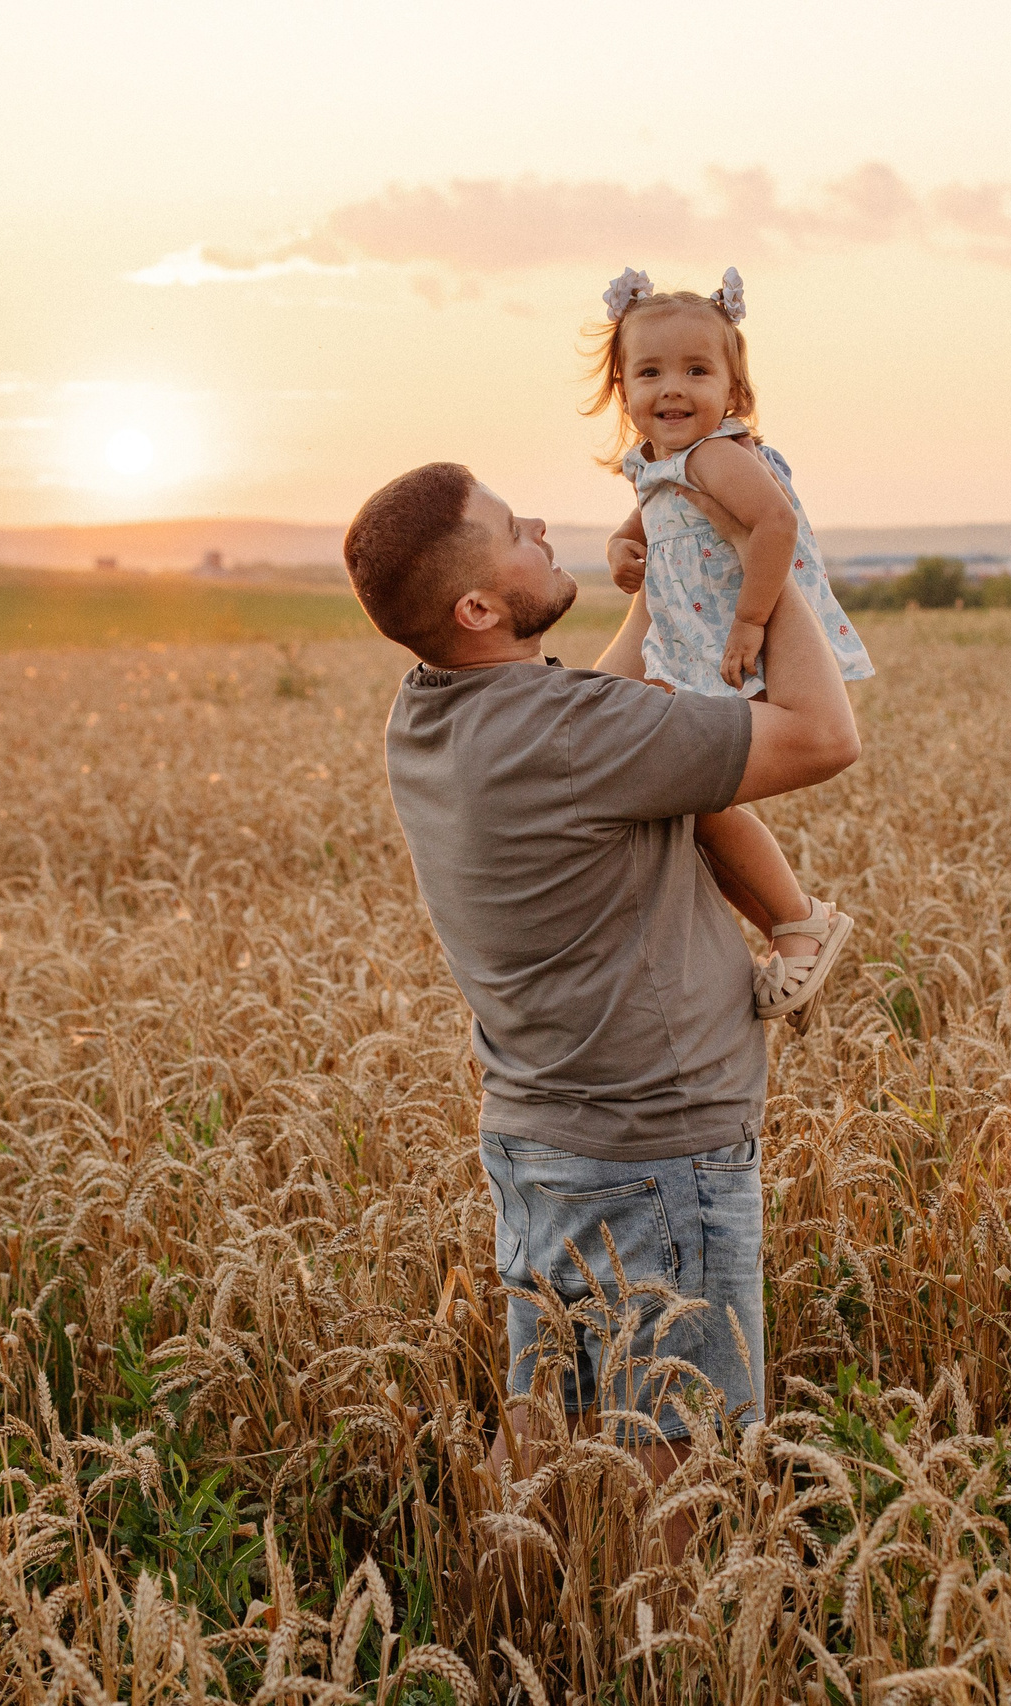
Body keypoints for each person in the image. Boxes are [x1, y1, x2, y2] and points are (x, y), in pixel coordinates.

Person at [342, 462, 859, 1486]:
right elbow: (822, 734)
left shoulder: (431, 713)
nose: (536, 522)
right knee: (680, 1452)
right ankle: (659, 1649)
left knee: (549, 1422)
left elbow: (589, 712)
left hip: (541, 1142)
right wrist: (761, 554)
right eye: (508, 527)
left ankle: (502, 1620)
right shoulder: (571, 736)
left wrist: (647, 593)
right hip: (654, 1149)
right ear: (479, 604)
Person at [584, 265, 874, 1033]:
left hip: (730, 645)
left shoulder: (715, 455)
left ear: (733, 393)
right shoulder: (656, 464)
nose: (671, 388)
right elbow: (643, 525)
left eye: (696, 370)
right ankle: (781, 926)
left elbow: (772, 525)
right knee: (689, 803)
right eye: (650, 372)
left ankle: (797, 918)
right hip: (688, 651)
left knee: (695, 796)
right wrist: (622, 548)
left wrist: (751, 622)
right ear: (623, 388)